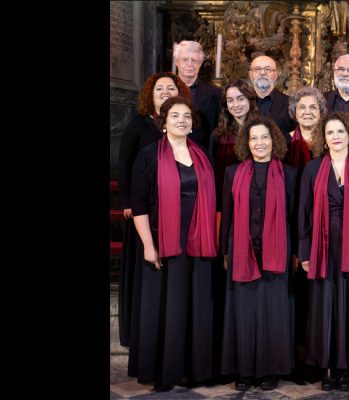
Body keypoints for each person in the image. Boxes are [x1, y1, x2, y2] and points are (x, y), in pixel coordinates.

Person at [129, 96, 218, 392]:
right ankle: (164, 373)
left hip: (198, 243)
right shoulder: (149, 155)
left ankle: (195, 370)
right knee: (167, 308)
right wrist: (149, 245)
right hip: (164, 241)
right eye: (175, 115)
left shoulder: (203, 156)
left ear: (192, 124)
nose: (182, 120)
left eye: (187, 116)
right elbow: (139, 204)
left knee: (196, 307)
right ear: (163, 122)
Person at [298, 112, 349, 392]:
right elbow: (304, 215)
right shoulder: (312, 169)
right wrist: (305, 252)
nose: (335, 137)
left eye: (340, 131)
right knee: (325, 308)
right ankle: (328, 366)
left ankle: (347, 368)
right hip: (322, 249)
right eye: (330, 132)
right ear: (324, 137)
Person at [218, 116, 299, 391]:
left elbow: (294, 217)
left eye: (264, 137)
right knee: (243, 312)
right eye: (253, 138)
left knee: (272, 312)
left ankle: (269, 369)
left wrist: (296, 252)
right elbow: (226, 216)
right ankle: (243, 370)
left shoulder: (289, 174)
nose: (259, 143)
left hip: (277, 252)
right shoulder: (232, 172)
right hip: (241, 249)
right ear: (246, 142)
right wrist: (225, 252)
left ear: (273, 140)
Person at [118, 72, 190, 348]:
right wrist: (127, 202)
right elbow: (125, 163)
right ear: (150, 93)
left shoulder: (186, 126)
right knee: (147, 273)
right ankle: (139, 333)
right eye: (158, 88)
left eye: (170, 87)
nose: (164, 91)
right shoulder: (138, 124)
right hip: (144, 209)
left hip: (177, 212)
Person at [208, 79, 261, 206]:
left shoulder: (263, 130)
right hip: (226, 199)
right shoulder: (218, 135)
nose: (235, 105)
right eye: (230, 100)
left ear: (250, 100)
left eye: (240, 98)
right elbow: (212, 173)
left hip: (256, 197)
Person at [174, 41, 222, 148]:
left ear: (200, 63)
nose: (190, 64)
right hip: (169, 151)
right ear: (176, 62)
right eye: (185, 60)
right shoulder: (166, 90)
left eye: (194, 60)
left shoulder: (216, 93)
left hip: (203, 151)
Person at [284, 86, 328, 169]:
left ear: (320, 112)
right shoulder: (284, 141)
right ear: (294, 112)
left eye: (313, 107)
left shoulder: (329, 139)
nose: (307, 112)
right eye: (302, 107)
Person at [250, 55, 295, 134]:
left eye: (267, 69)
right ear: (250, 75)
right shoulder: (242, 103)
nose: (262, 73)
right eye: (257, 69)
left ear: (275, 76)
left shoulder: (290, 103)